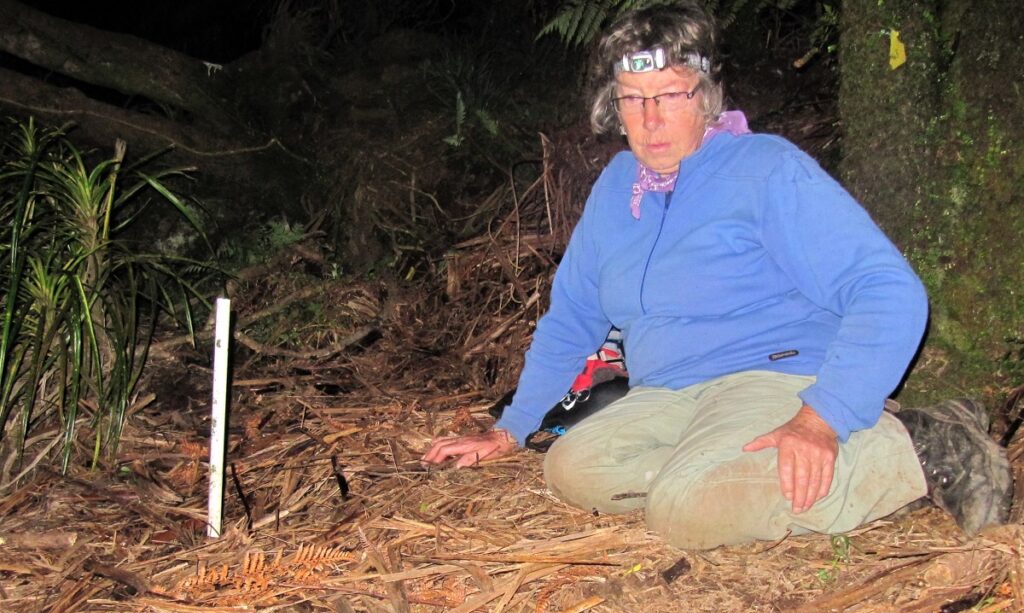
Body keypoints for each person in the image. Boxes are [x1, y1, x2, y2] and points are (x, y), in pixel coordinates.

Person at [422, 2, 1012, 548]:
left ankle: (919, 445)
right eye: (633, 98)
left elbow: (887, 289)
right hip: (667, 393)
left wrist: (821, 416)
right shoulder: (615, 189)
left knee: (684, 513)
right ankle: (751, 481)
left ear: (705, 96)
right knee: (573, 467)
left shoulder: (765, 169)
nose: (651, 120)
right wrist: (513, 427)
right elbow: (574, 317)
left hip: (772, 375)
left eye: (671, 95)